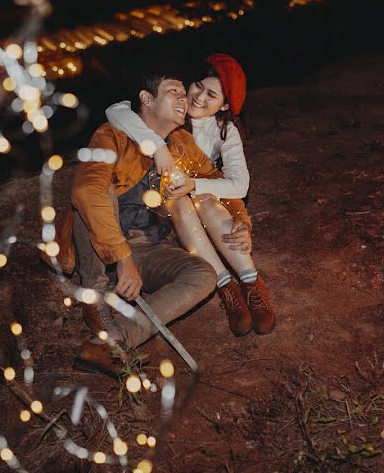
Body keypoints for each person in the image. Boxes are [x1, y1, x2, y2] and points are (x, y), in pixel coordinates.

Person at [54, 71, 253, 377]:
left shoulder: (182, 142)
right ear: (146, 99)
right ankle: (95, 293)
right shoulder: (112, 136)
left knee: (204, 275)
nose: (185, 99)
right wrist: (122, 259)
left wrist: (240, 221)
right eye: (175, 91)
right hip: (101, 240)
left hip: (147, 246)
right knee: (97, 190)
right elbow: (85, 191)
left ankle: (113, 339)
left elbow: (215, 181)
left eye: (182, 94)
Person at [105, 54, 276, 337]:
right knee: (181, 198)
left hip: (204, 206)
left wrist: (241, 221)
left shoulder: (225, 130)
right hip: (165, 207)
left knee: (203, 197)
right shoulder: (174, 111)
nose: (198, 98)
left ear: (224, 105)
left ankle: (250, 281)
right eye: (197, 86)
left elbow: (238, 184)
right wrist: (157, 146)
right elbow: (116, 110)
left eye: (212, 95)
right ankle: (224, 284)